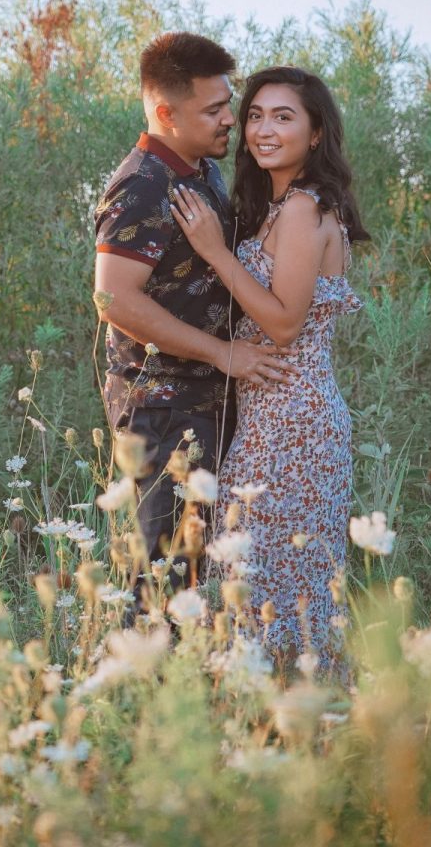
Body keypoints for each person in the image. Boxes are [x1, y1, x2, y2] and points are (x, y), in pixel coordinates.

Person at [171, 65, 370, 673]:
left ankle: (304, 722)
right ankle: (268, 724)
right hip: (269, 419)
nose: (262, 129)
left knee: (281, 584)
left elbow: (284, 323)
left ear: (316, 134)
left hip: (297, 422)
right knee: (253, 577)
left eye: (283, 117)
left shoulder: (306, 210)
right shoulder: (276, 209)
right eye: (255, 115)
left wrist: (212, 252)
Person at [93, 33, 297, 616]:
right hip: (162, 408)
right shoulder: (142, 184)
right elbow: (114, 299)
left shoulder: (199, 172)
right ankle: (149, 700)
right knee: (160, 576)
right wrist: (223, 353)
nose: (230, 120)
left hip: (205, 402)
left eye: (227, 104)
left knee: (199, 572)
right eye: (214, 110)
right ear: (165, 113)